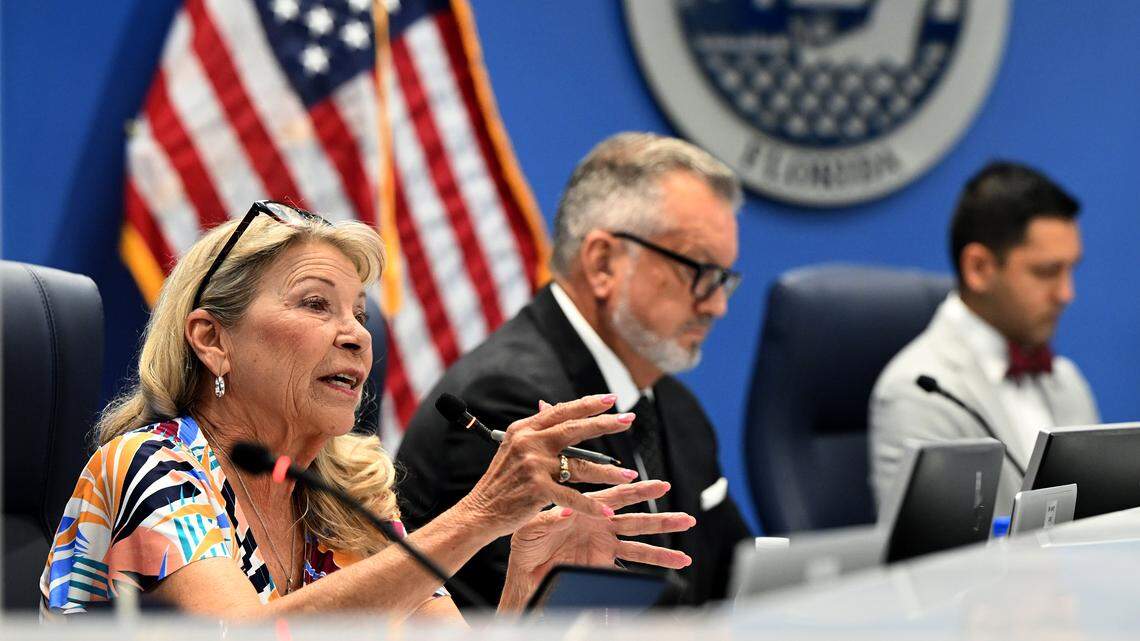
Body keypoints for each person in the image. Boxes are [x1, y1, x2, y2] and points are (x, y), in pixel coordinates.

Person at [39, 201, 696, 620]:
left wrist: (528, 577)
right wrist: (480, 515)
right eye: (316, 304)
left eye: (359, 312)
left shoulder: (349, 493)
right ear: (212, 340)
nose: (356, 333)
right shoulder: (151, 466)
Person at [396, 132, 752, 609]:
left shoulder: (675, 408)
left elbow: (740, 570)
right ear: (603, 262)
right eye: (700, 271)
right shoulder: (508, 402)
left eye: (725, 278)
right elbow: (563, 613)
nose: (717, 305)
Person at [869, 161, 1099, 515]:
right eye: (1047, 272)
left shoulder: (1066, 380)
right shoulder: (917, 391)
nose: (1067, 293)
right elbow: (933, 560)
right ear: (978, 268)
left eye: (1072, 269)